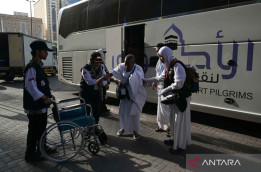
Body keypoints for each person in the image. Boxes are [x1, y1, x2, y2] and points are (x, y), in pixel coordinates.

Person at [143, 46, 191, 154]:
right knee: (173, 120)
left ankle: (180, 146)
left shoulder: (177, 65)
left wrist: (166, 90)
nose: (160, 59)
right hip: (175, 98)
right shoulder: (168, 65)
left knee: (179, 122)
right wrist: (146, 80)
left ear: (166, 56)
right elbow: (160, 78)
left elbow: (179, 83)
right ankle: (174, 139)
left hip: (182, 98)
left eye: (161, 57)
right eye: (159, 57)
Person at [96, 54, 146, 140]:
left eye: (128, 63)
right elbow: (111, 73)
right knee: (122, 112)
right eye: (125, 63)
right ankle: (123, 128)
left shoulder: (138, 69)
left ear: (133, 63)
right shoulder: (122, 66)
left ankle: (135, 132)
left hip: (133, 96)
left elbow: (140, 82)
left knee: (134, 114)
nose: (126, 65)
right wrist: (102, 79)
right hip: (124, 94)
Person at [23, 40, 54, 162]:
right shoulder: (31, 67)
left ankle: (42, 148)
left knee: (42, 128)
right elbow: (31, 87)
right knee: (34, 131)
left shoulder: (39, 66)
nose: (47, 53)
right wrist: (45, 98)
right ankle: (30, 154)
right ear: (37, 52)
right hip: (34, 106)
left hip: (42, 105)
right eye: (44, 51)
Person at [80, 52, 105, 124]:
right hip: (86, 92)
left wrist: (105, 83)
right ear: (91, 60)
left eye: (99, 62)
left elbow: (104, 76)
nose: (98, 64)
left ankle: (95, 127)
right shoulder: (85, 69)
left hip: (95, 92)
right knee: (86, 112)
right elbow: (89, 82)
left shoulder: (101, 67)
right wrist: (100, 80)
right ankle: (86, 129)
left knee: (96, 112)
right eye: (96, 62)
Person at [151, 43, 171, 136]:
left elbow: (163, 75)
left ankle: (169, 128)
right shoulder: (159, 61)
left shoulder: (167, 60)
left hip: (166, 87)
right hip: (159, 87)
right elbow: (157, 72)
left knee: (166, 109)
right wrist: (154, 82)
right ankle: (161, 126)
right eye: (156, 51)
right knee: (159, 108)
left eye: (158, 51)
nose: (157, 53)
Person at [96, 49, 110, 115]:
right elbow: (102, 75)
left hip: (102, 84)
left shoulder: (101, 62)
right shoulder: (100, 63)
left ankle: (103, 109)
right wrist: (105, 84)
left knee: (103, 97)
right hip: (101, 85)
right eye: (103, 54)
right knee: (101, 98)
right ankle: (101, 111)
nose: (104, 55)